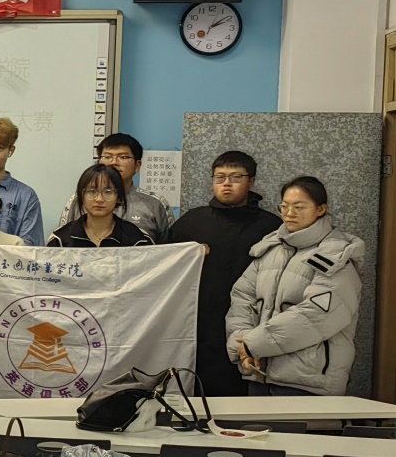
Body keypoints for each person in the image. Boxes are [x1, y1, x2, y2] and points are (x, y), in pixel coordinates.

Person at [226, 176, 364, 396]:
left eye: (299, 207)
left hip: (309, 382)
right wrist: (242, 346)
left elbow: (317, 314)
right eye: (284, 206)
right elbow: (242, 299)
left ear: (320, 210)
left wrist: (254, 344)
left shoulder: (336, 255)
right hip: (258, 373)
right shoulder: (270, 249)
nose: (289, 213)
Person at [166, 151, 281, 396]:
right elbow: (164, 267)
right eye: (220, 177)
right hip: (198, 324)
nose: (226, 184)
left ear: (251, 182)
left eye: (236, 177)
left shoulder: (272, 227)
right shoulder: (191, 222)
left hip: (250, 324)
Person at [57, 133, 174, 243]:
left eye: (123, 157)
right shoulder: (79, 200)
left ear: (137, 165)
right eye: (107, 157)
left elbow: (170, 250)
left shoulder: (155, 204)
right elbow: (64, 241)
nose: (114, 162)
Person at [47, 165, 153, 248]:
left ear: (119, 197)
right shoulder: (60, 239)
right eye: (92, 191)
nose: (99, 199)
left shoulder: (138, 239)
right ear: (81, 196)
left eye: (108, 192)